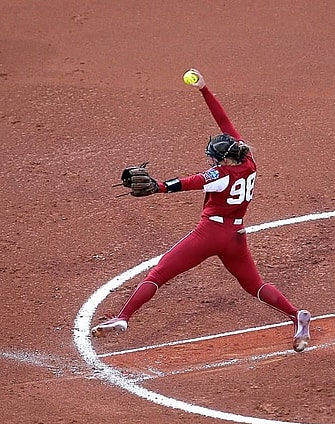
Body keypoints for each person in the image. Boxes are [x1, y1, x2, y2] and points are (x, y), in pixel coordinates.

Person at [91, 69, 311, 352]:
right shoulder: (248, 160)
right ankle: (297, 316)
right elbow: (224, 121)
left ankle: (123, 317)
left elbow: (184, 184)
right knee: (255, 285)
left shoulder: (218, 175)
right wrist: (204, 89)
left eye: (211, 157)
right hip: (236, 236)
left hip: (209, 234)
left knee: (157, 274)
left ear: (221, 158)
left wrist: (157, 186)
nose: (208, 159)